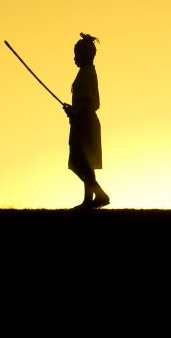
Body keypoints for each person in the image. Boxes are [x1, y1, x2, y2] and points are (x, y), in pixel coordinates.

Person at [64, 33, 110, 209]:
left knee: (80, 162)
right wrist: (73, 111)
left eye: (77, 54)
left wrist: (76, 113)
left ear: (85, 55)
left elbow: (91, 102)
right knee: (83, 162)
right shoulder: (85, 73)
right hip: (82, 121)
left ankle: (99, 195)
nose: (74, 58)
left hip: (85, 123)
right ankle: (89, 199)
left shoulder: (88, 74)